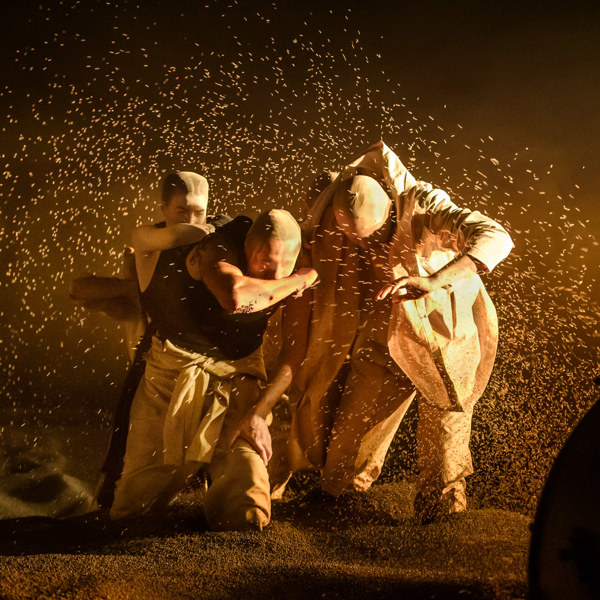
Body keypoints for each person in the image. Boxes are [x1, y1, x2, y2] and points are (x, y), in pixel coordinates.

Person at [266, 141, 513, 523]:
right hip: (385, 335)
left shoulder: (426, 207)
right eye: (354, 239)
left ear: (391, 213)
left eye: (374, 238)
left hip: (447, 333)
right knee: (347, 443)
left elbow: (497, 237)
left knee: (445, 433)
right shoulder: (330, 204)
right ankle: (338, 499)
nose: (364, 248)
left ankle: (442, 521)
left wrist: (434, 280)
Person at [108, 209, 318, 531]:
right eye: (265, 262)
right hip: (172, 372)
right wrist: (298, 279)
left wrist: (259, 412)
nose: (275, 274)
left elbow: (294, 353)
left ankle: (239, 525)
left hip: (239, 376)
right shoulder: (218, 247)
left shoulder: (294, 264)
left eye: (284, 265)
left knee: (248, 497)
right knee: (137, 500)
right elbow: (235, 297)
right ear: (247, 247)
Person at [70, 171, 222, 508]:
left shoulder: (220, 238)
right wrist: (146, 292)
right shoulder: (150, 242)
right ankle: (109, 508)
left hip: (209, 359)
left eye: (199, 211)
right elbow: (79, 289)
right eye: (182, 211)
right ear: (164, 208)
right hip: (153, 359)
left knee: (203, 449)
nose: (192, 219)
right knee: (130, 447)